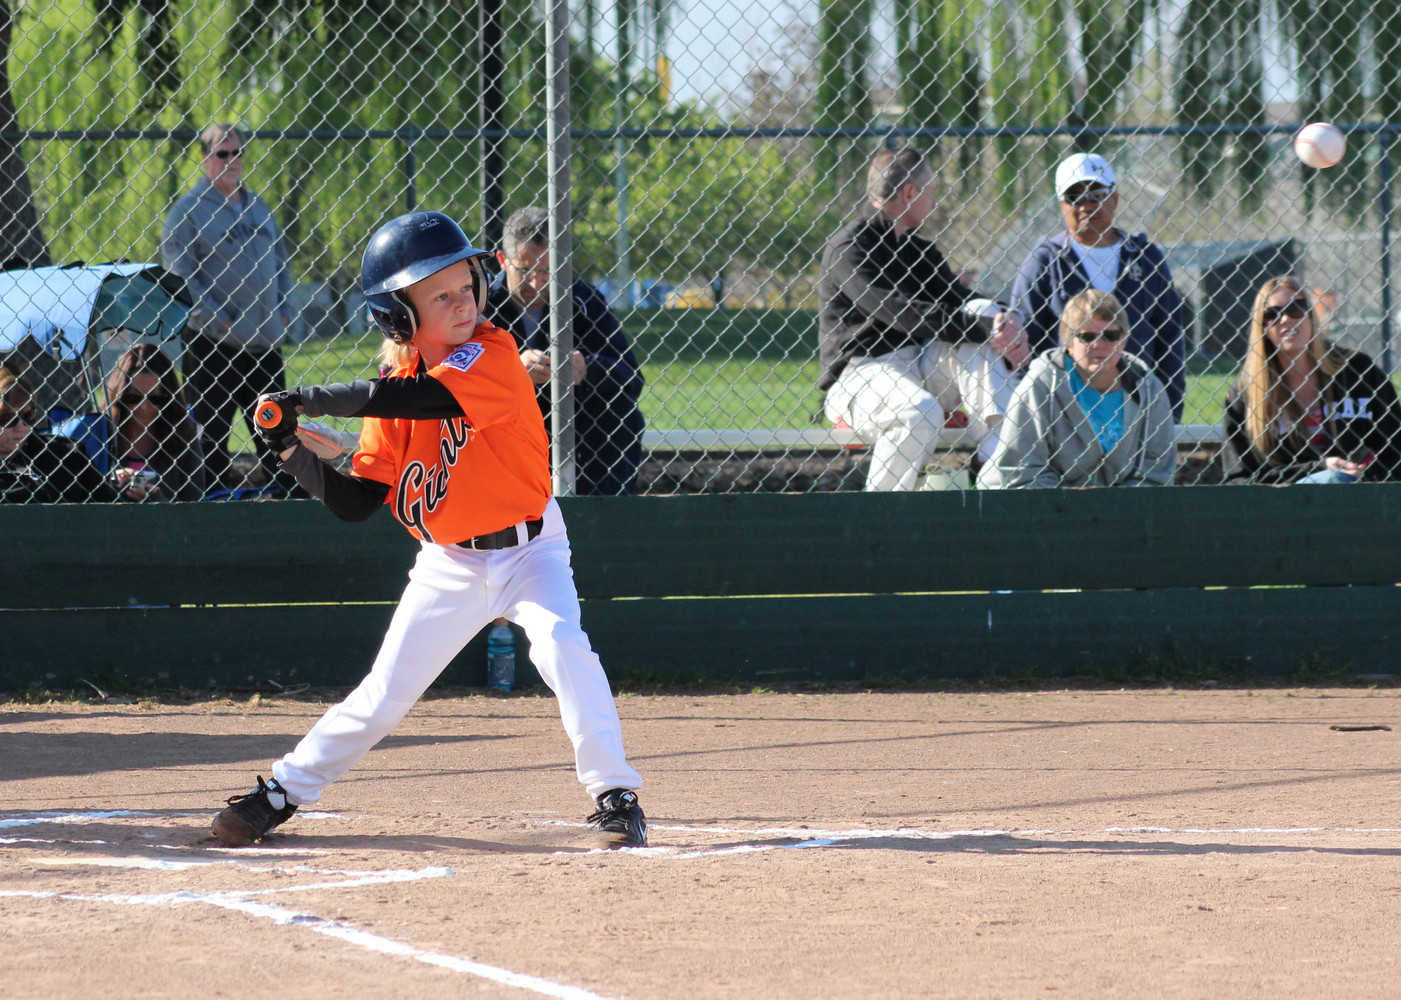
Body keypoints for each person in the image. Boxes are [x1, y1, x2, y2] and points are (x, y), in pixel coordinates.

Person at [211, 211, 646, 849]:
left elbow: (425, 398)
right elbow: (358, 501)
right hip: (448, 563)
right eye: (440, 295)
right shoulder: (387, 397)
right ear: (398, 315)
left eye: (466, 286)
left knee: (562, 646)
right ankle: (282, 791)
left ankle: (616, 795)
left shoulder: (493, 353)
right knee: (386, 691)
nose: (463, 302)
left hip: (532, 550)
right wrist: (291, 453)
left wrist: (308, 397)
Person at [818, 145, 1029, 491]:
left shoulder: (918, 250)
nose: (934, 201)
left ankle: (997, 465)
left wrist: (1008, 322)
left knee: (983, 313)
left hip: (920, 366)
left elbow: (965, 301)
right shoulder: (850, 248)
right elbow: (901, 312)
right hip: (862, 374)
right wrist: (987, 331)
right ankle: (880, 514)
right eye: (930, 192)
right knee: (918, 411)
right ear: (909, 193)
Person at [160, 122, 293, 491]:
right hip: (212, 347)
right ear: (205, 158)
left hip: (264, 343)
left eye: (237, 153)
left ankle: (287, 502)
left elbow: (281, 263)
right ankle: (209, 507)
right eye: (222, 153)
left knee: (279, 436)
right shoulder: (187, 212)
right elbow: (180, 277)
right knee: (210, 440)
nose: (231, 160)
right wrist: (218, 321)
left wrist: (284, 310)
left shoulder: (258, 206)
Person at [483, 206, 646, 496]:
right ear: (502, 260)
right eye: (525, 270)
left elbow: (631, 376)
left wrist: (587, 369)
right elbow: (451, 377)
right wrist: (512, 371)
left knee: (622, 408)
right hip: (507, 423)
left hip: (574, 422)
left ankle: (604, 511)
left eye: (547, 270)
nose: (537, 282)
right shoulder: (481, 305)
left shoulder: (582, 298)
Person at [1011, 152, 1187, 417]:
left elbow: (1170, 338)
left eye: (1097, 194)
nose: (1086, 205)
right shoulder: (1046, 261)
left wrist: (1169, 412)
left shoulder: (1144, 257)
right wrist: (1031, 412)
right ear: (1061, 204)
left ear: (1114, 198)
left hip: (1136, 401)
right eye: (1074, 197)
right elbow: (1023, 339)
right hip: (1064, 407)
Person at [978, 290, 1176, 489]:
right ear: (1069, 343)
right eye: (1087, 336)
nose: (1098, 345)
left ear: (1123, 341)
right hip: (1028, 498)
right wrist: (1074, 503)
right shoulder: (1040, 385)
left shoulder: (1147, 388)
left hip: (1119, 502)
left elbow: (1157, 470)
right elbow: (1021, 471)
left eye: (1110, 335)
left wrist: (1119, 503)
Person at [1221, 276, 1401, 484]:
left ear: (1310, 317)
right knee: (1333, 479)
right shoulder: (1246, 391)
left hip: (1360, 491)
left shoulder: (1357, 370)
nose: (1285, 319)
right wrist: (1319, 469)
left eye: (1296, 309)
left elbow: (1396, 448)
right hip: (1287, 497)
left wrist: (1364, 478)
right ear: (1262, 327)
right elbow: (1238, 478)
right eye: (1272, 314)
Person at [50, 345, 207, 501]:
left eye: (155, 399)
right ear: (119, 397)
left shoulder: (184, 436)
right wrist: (109, 482)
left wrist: (156, 499)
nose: (143, 407)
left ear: (168, 399)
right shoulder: (97, 434)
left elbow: (194, 505)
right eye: (134, 398)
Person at [0, 367, 137, 503]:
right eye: (8, 419)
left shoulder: (66, 453)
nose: (20, 427)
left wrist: (133, 495)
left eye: (28, 416)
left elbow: (106, 502)